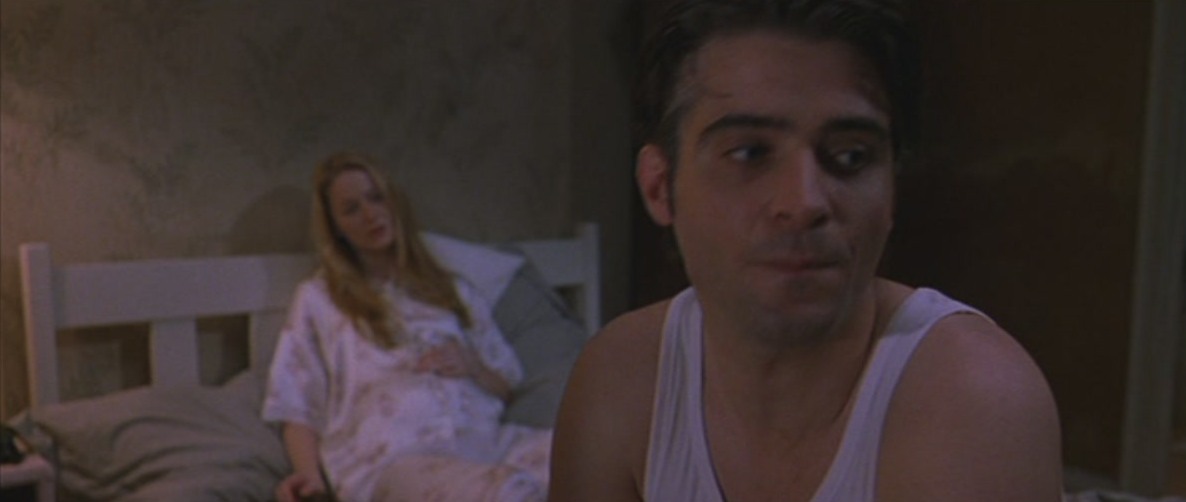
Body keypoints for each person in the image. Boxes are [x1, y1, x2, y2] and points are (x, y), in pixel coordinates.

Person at [548, 1, 1063, 501]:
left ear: (891, 191)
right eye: (749, 153)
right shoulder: (622, 381)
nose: (804, 202)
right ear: (659, 186)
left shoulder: (972, 395)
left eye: (851, 156)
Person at [262, 152, 550, 502]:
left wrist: (472, 365)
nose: (371, 215)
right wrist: (309, 476)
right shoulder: (318, 299)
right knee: (508, 492)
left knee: (585, 462)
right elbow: (297, 403)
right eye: (352, 209)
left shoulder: (449, 288)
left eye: (376, 197)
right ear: (336, 227)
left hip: (485, 443)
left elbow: (506, 386)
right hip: (396, 458)